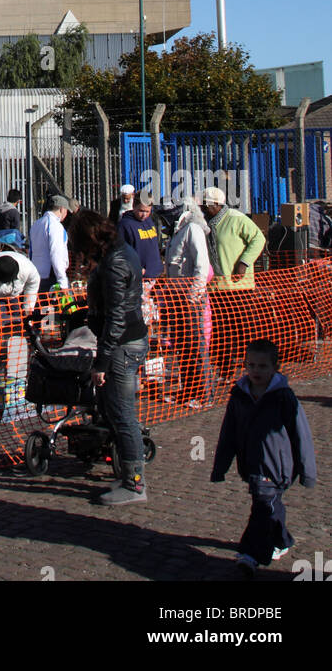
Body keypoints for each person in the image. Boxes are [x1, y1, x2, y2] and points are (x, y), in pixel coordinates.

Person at [210, 338, 316, 577]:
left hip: (277, 466)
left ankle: (251, 554)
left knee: (262, 507)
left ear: (274, 367)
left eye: (262, 366)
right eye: (251, 365)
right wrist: (220, 467)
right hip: (251, 463)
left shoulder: (284, 398)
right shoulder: (239, 395)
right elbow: (228, 433)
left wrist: (307, 472)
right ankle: (282, 539)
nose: (256, 371)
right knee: (270, 505)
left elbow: (301, 435)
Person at [69, 209, 148, 506]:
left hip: (123, 345)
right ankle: (128, 474)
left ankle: (135, 483)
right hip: (122, 341)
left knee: (121, 411)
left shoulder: (115, 262)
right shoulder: (115, 255)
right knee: (113, 409)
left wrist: (102, 361)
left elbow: (117, 316)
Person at [163, 197, 214, 406]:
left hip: (190, 299)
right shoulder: (177, 231)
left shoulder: (193, 229)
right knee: (183, 346)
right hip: (177, 298)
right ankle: (188, 389)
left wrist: (193, 296)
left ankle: (204, 394)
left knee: (196, 345)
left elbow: (202, 265)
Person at [202, 187, 265, 289]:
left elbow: (258, 239)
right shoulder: (204, 224)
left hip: (237, 287)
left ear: (217, 204)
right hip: (214, 288)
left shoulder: (236, 218)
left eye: (206, 206)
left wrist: (243, 263)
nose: (203, 209)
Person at [117, 192, 164, 281]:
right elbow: (121, 251)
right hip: (139, 277)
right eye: (141, 211)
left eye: (147, 211)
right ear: (134, 206)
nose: (144, 215)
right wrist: (136, 268)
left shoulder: (149, 221)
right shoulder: (125, 225)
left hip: (155, 275)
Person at [28, 195, 71, 291]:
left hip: (36, 275)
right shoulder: (56, 226)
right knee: (64, 305)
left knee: (40, 305)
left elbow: (31, 252)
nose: (66, 214)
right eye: (66, 211)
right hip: (52, 276)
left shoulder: (36, 224)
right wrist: (63, 281)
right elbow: (56, 254)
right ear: (61, 209)